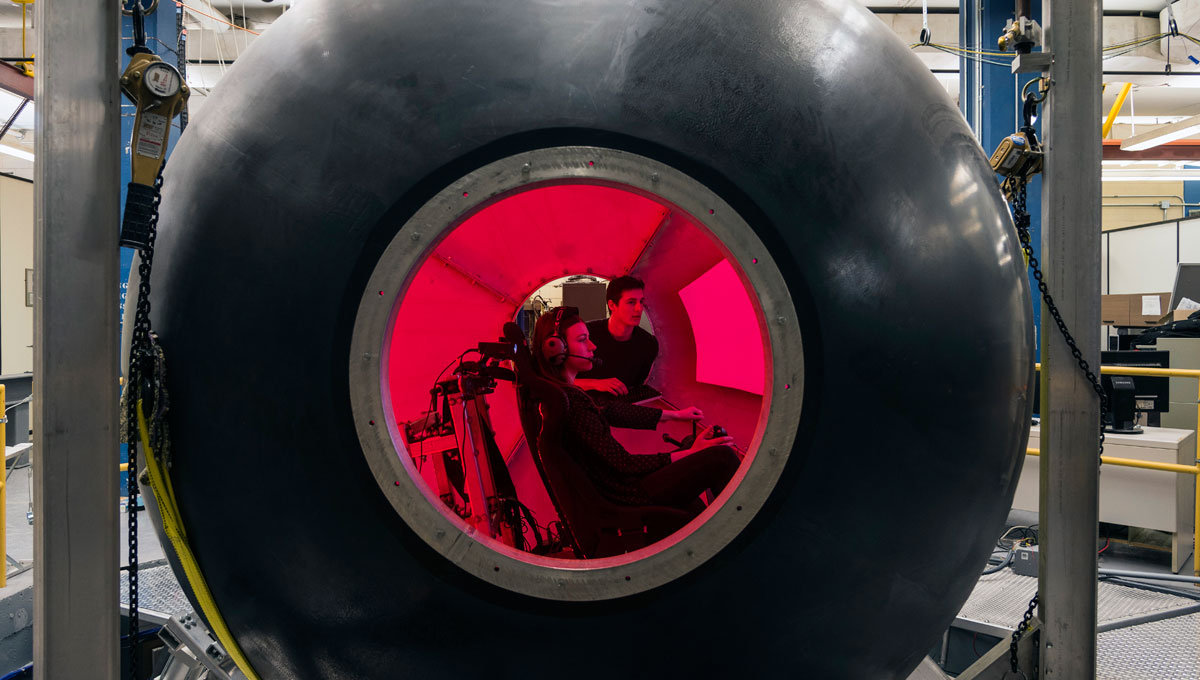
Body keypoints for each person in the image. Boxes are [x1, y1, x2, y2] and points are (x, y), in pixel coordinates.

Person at [531, 306, 739, 511]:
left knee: (691, 444)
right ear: (556, 349)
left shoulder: (565, 396)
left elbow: (614, 412)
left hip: (623, 488)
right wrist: (689, 454)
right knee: (721, 457)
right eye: (583, 340)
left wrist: (676, 416)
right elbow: (624, 464)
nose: (593, 346)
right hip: (627, 495)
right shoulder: (572, 402)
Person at [575, 276, 657, 399]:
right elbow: (558, 380)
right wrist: (595, 384)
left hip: (620, 409)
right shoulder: (586, 333)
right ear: (612, 305)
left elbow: (637, 388)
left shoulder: (648, 344)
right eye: (631, 302)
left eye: (641, 301)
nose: (639, 309)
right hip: (582, 404)